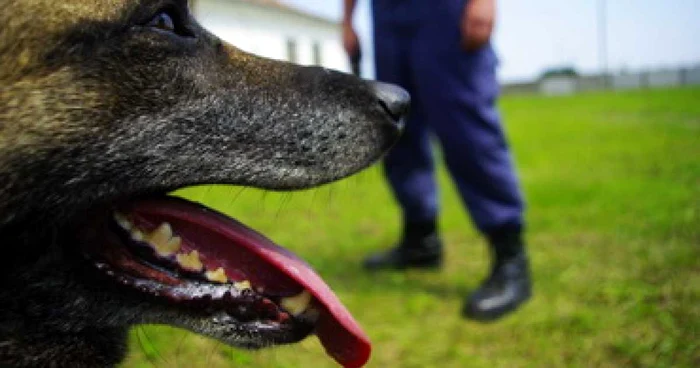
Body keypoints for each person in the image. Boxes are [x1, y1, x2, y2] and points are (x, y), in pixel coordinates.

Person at [342, 0, 531, 321]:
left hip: (444, 9)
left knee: (466, 127)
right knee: (397, 126)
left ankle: (510, 254)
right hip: (386, 13)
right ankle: (420, 241)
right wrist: (347, 18)